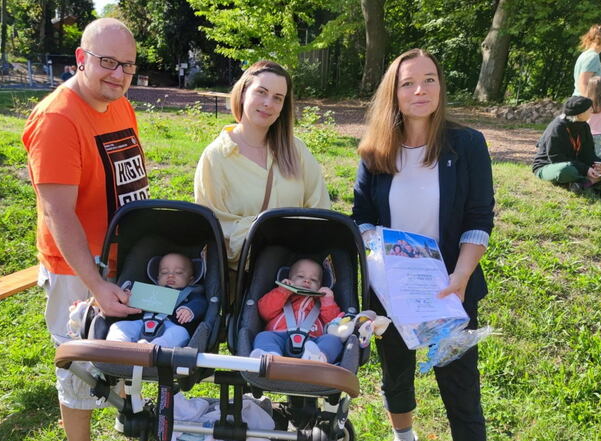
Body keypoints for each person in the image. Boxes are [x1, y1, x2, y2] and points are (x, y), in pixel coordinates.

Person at [352, 48, 495, 441]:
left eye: (429, 79)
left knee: (461, 386)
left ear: (441, 86)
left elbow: (479, 218)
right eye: (408, 82)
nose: (421, 89)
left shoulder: (467, 145)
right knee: (395, 373)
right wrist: (379, 257)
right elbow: (361, 214)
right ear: (393, 93)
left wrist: (461, 275)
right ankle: (404, 437)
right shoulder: (375, 150)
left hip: (451, 286)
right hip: (393, 290)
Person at [22, 18, 147, 441]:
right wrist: (95, 284)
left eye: (127, 66)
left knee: (123, 353)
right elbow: (59, 213)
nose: (118, 75)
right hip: (76, 270)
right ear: (81, 58)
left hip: (120, 258)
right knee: (79, 367)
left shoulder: (120, 104)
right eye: (107, 62)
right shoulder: (58, 119)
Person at [194, 60, 331, 273]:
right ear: (242, 93)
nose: (269, 103)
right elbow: (216, 227)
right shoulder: (216, 157)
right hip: (245, 279)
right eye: (261, 92)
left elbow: (320, 210)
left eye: (278, 98)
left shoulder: (296, 151)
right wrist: (272, 233)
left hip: (296, 274)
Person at [250, 258, 343, 363]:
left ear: (320, 286)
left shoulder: (320, 303)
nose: (307, 281)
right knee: (264, 336)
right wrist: (282, 291)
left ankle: (318, 359)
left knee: (333, 340)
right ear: (289, 279)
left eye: (314, 280)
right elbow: (265, 312)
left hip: (312, 342)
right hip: (280, 336)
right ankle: (270, 356)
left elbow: (333, 325)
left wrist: (328, 301)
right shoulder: (282, 296)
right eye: (300, 276)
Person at [106, 252, 207, 347]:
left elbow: (201, 303)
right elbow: (131, 305)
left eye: (179, 272)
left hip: (171, 325)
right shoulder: (148, 290)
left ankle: (153, 347)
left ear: (191, 280)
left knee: (180, 333)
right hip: (143, 322)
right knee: (119, 326)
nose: (170, 275)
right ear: (158, 278)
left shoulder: (190, 294)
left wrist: (189, 309)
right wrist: (128, 299)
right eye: (164, 272)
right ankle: (117, 345)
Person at [532, 96, 601, 194]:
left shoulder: (584, 126)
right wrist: (585, 169)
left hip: (576, 164)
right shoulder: (557, 128)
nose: (592, 110)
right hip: (549, 165)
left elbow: (588, 154)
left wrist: (598, 165)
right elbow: (556, 158)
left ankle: (581, 184)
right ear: (581, 114)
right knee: (565, 170)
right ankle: (590, 182)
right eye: (589, 108)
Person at [573, 24, 601, 96]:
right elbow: (583, 83)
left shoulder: (586, 54)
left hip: (579, 101)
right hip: (583, 103)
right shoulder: (593, 57)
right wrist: (590, 105)